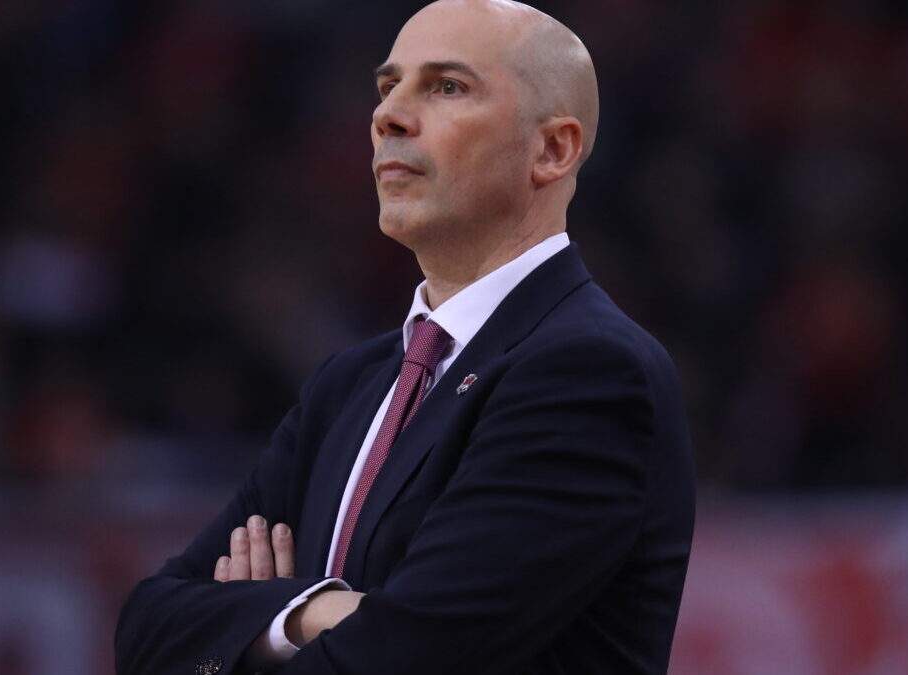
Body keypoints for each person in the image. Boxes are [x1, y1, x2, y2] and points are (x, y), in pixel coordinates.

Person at [114, 0, 695, 673]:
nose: (387, 116)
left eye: (446, 87)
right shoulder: (347, 387)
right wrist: (309, 611)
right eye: (388, 86)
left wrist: (250, 620)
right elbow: (145, 629)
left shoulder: (589, 371)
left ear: (552, 149)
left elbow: (414, 653)